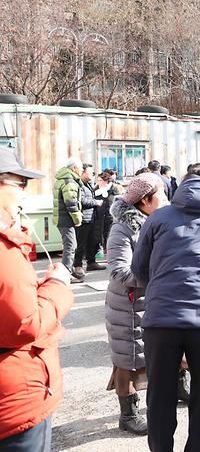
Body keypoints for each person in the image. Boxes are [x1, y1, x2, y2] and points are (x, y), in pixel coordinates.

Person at [132, 163, 200, 452]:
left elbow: (140, 267)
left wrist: (162, 285)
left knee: (160, 396)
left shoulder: (158, 218)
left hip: (161, 319)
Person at [0, 149, 74, 451]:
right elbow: (24, 324)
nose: (23, 196)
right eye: (20, 184)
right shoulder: (3, 248)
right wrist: (57, 286)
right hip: (14, 404)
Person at [105, 172, 169, 436]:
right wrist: (158, 275)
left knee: (165, 350)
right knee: (128, 358)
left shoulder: (157, 221)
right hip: (128, 305)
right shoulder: (123, 229)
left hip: (152, 300)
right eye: (161, 194)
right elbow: (119, 272)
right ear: (145, 200)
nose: (166, 199)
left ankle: (178, 386)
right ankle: (128, 414)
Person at [53, 157, 85, 282]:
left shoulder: (62, 179)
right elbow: (71, 203)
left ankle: (67, 271)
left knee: (70, 246)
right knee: (70, 247)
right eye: (80, 168)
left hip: (62, 218)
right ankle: (66, 274)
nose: (81, 170)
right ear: (74, 168)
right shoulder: (69, 181)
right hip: (66, 219)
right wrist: (77, 219)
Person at [73, 163, 102, 278]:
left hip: (91, 217)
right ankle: (78, 265)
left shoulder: (88, 184)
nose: (92, 175)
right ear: (83, 172)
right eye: (90, 173)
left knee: (91, 241)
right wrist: (96, 202)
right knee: (81, 243)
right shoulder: (78, 185)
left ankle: (91, 262)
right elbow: (81, 200)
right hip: (83, 218)